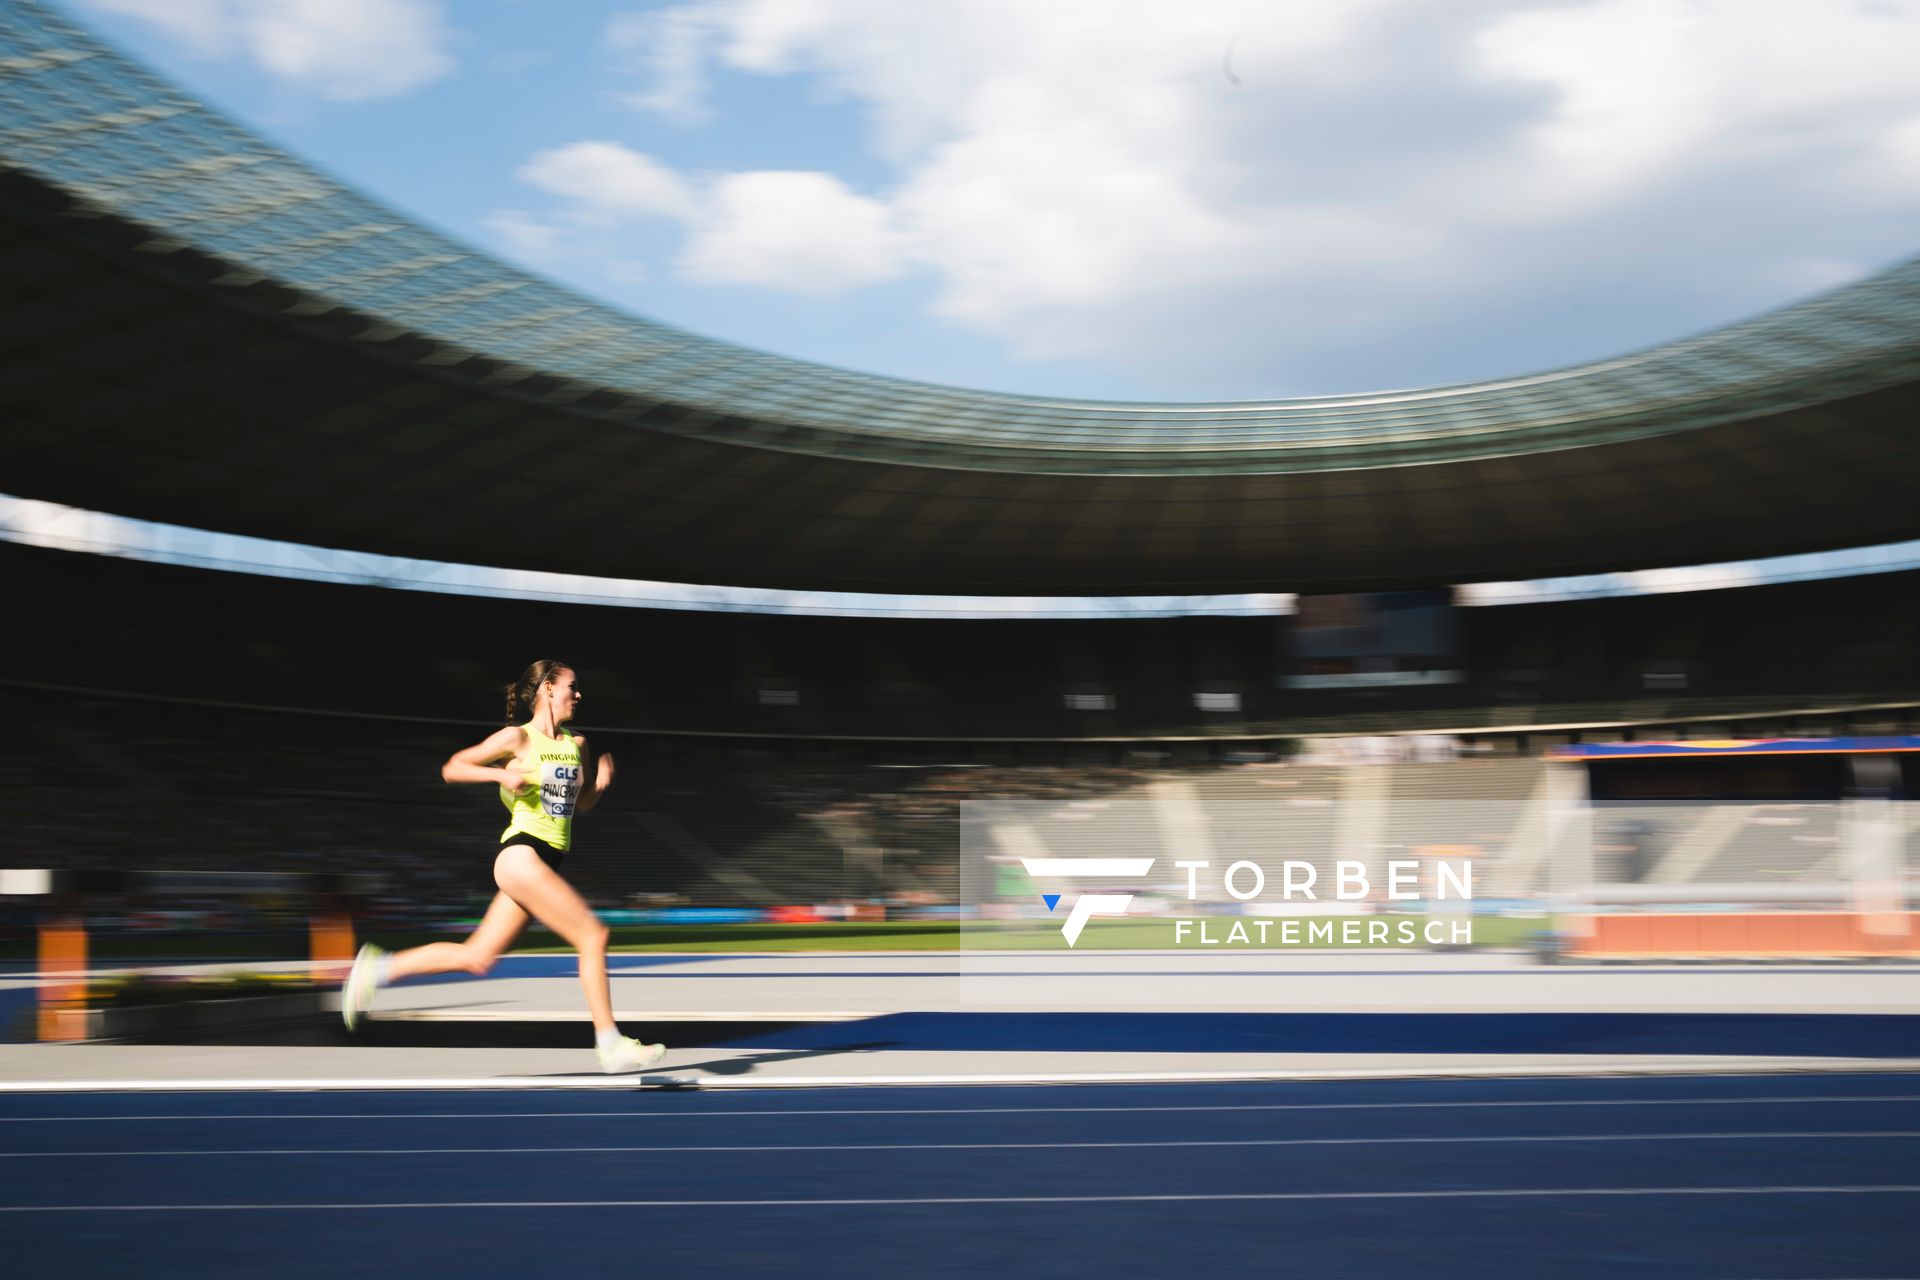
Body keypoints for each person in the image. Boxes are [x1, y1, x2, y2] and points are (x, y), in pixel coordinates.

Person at [341, 660, 664, 1074]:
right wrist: (500, 779)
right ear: (548, 688)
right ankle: (610, 1042)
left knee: (478, 956)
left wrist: (597, 787)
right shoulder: (517, 737)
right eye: (572, 686)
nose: (579, 694)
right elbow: (453, 766)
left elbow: (576, 806)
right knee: (593, 934)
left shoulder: (576, 744)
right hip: (520, 855)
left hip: (547, 858)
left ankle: (377, 969)